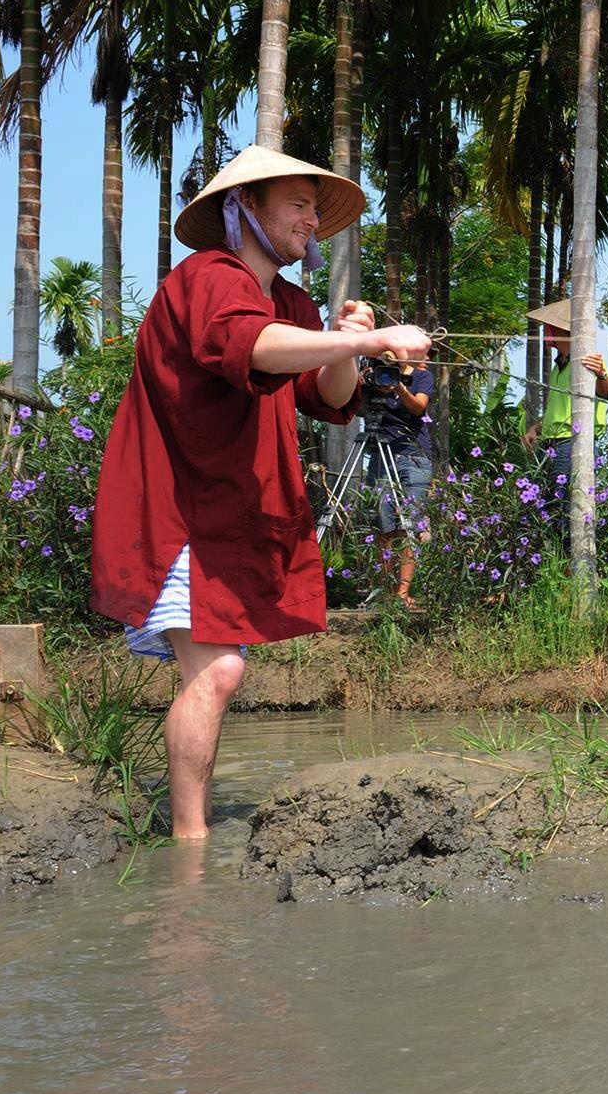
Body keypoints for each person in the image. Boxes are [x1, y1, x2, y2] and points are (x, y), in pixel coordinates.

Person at [90, 146, 431, 838]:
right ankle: (190, 849)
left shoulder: (292, 302)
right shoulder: (206, 278)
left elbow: (326, 396)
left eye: (315, 205)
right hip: (178, 511)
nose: (312, 219)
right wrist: (360, 346)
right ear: (243, 206)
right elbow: (250, 345)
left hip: (230, 517)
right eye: (297, 204)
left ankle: (189, 835)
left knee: (213, 674)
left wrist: (344, 342)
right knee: (216, 674)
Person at [522, 300, 608, 510]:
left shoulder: (587, 360)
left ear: (561, 331)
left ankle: (564, 543)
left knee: (563, 504)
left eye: (549, 328)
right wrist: (536, 428)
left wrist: (600, 373)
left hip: (572, 442)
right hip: (551, 443)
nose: (546, 333)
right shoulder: (557, 368)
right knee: (546, 504)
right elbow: (557, 407)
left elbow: (606, 393)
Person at [363, 351, 434, 604]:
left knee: (410, 526)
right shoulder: (373, 376)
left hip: (413, 455)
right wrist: (362, 380)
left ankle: (403, 593)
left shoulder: (422, 376)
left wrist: (398, 387)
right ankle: (385, 591)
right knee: (384, 525)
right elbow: (352, 406)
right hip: (381, 454)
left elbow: (418, 407)